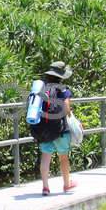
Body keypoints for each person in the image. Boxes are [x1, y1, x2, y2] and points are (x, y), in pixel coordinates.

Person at [32, 61, 76, 196]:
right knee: (63, 157)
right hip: (60, 129)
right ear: (61, 76)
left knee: (45, 156)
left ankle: (45, 187)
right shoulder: (63, 90)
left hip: (43, 128)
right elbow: (67, 109)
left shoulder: (41, 89)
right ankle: (67, 185)